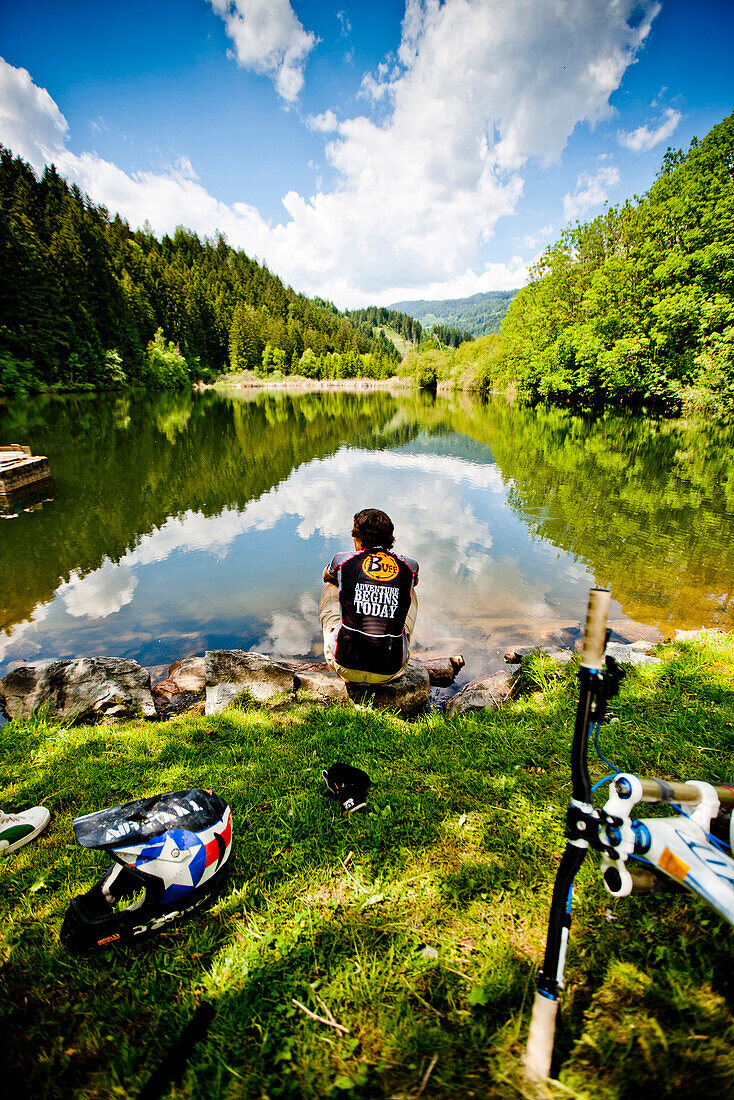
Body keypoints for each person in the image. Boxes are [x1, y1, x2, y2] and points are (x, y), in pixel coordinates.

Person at [320, 508, 419, 684]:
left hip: (345, 666)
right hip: (389, 669)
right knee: (410, 590)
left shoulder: (342, 560)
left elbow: (326, 576)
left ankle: (340, 653)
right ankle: (394, 656)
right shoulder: (409, 565)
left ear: (357, 537)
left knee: (330, 586)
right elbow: (412, 583)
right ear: (390, 538)